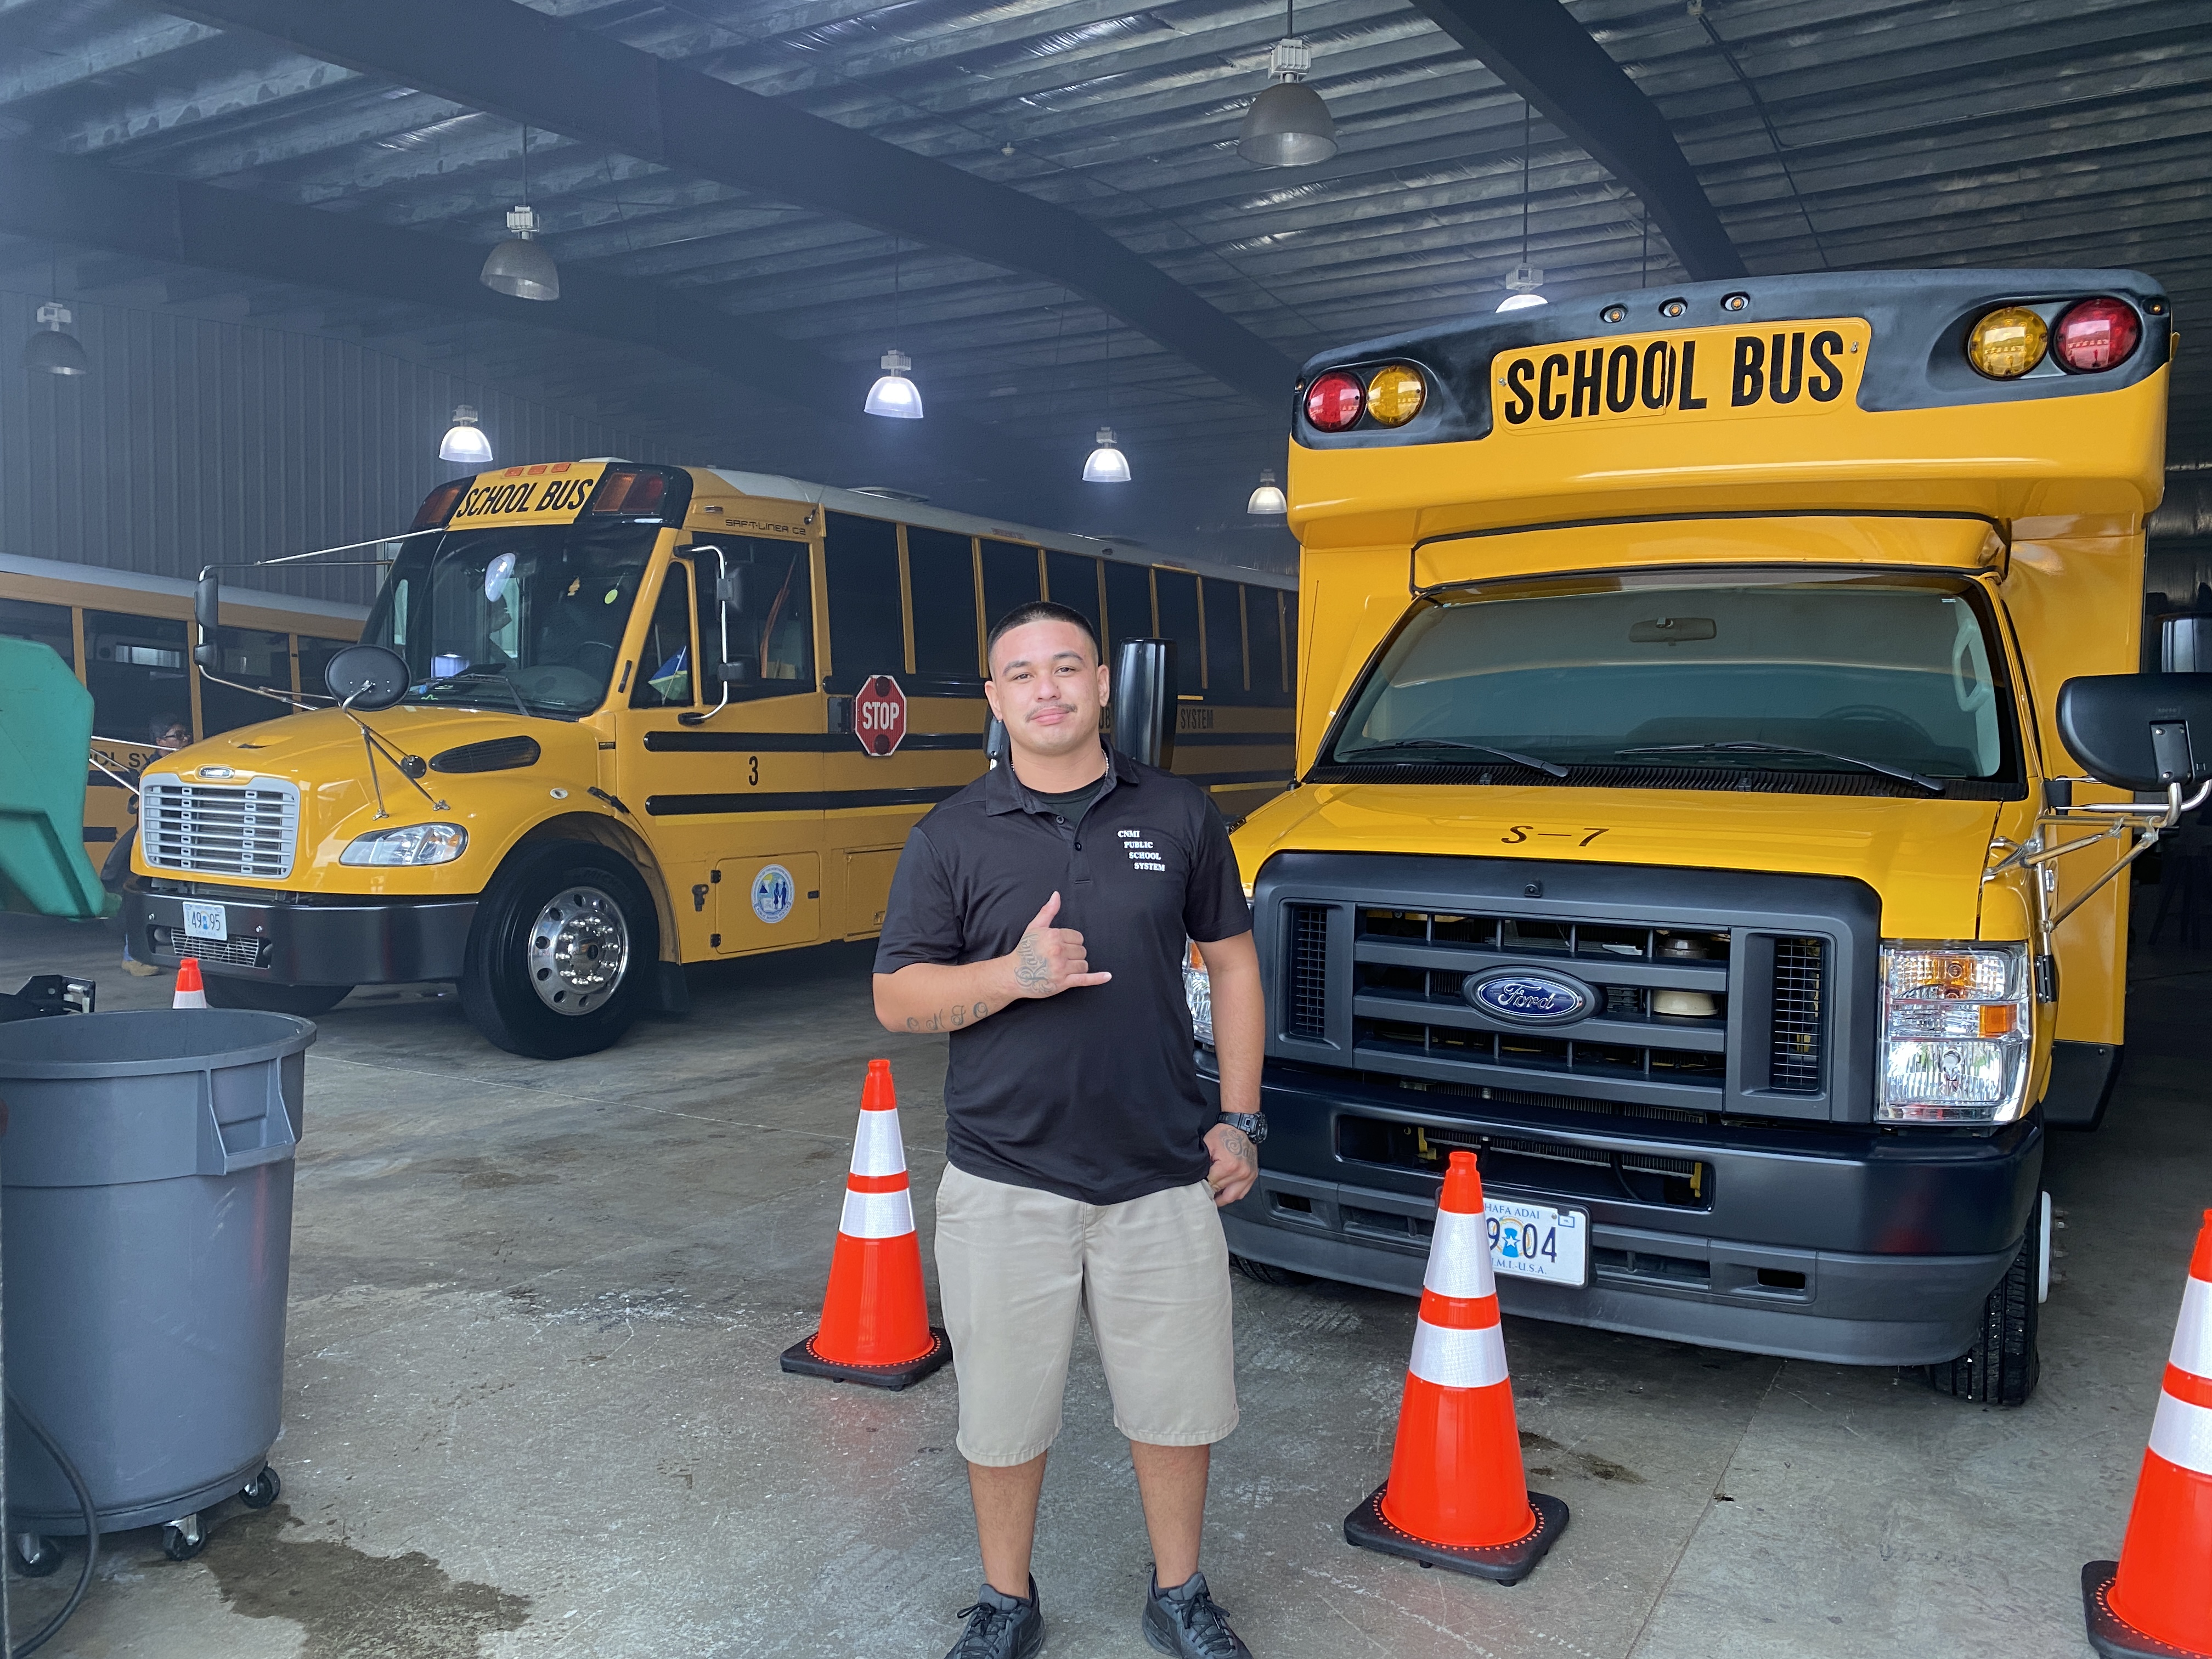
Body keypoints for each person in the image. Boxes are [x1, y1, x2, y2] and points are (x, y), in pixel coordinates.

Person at [873, 601, 1268, 1659]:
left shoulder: (1179, 812)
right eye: (1020, 674)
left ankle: (1177, 1588)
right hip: (1006, 1177)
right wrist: (1013, 974)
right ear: (996, 702)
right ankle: (1006, 1597)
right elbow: (897, 997)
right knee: (1001, 1413)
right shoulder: (952, 833)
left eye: (1065, 668)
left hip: (1160, 1171)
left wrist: (1239, 1115)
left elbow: (1231, 962)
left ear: (1101, 684)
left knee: (1177, 1406)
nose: (1045, 688)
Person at [108, 714, 190, 974]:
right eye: (177, 736)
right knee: (146, 903)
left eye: (185, 735)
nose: (184, 740)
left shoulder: (185, 765)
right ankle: (133, 957)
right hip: (157, 847)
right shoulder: (154, 772)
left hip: (180, 845)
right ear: (160, 742)